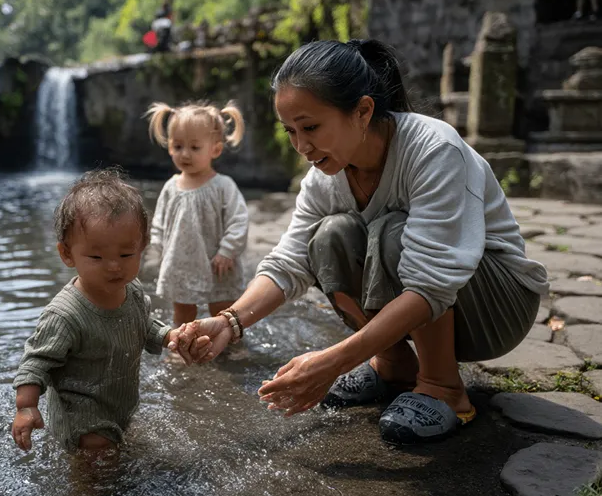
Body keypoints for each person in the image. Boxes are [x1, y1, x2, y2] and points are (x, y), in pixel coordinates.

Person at [174, 39, 549, 445]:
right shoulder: (326, 174)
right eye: (291, 132)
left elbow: (432, 283)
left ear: (363, 111)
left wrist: (331, 362)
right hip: (437, 299)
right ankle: (393, 365)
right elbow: (290, 260)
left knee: (393, 233)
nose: (301, 146)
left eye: (311, 127)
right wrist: (230, 321)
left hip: (496, 306)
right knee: (327, 237)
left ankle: (444, 387)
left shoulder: (432, 149)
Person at [11, 168, 209, 452]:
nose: (114, 266)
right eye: (96, 256)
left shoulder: (134, 290)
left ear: (142, 247)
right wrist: (26, 407)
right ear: (67, 254)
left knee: (118, 457)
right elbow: (36, 362)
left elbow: (142, 324)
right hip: (81, 416)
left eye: (126, 254)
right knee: (95, 469)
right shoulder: (65, 315)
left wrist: (171, 337)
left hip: (118, 402)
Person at [143, 100, 249, 328]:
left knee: (223, 312)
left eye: (194, 147)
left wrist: (227, 250)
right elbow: (160, 221)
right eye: (178, 146)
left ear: (216, 149)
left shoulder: (223, 186)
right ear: (169, 146)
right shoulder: (171, 187)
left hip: (218, 263)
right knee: (182, 313)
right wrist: (158, 249)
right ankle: (182, 347)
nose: (185, 154)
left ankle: (230, 348)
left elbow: (239, 220)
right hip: (180, 263)